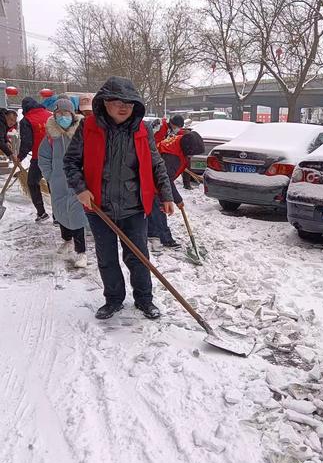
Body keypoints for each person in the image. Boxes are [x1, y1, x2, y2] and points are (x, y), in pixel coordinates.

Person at [64, 76, 174, 321]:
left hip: (134, 207)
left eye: (129, 102)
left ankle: (144, 300)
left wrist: (166, 194)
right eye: (117, 101)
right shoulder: (89, 127)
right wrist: (80, 189)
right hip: (98, 207)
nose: (123, 106)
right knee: (107, 258)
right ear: (104, 102)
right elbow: (71, 162)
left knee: (138, 256)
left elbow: (156, 164)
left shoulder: (142, 129)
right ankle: (113, 300)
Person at [38, 98, 88, 268]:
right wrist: (50, 176)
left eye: (65, 113)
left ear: (73, 114)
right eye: (58, 113)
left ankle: (81, 252)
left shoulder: (82, 132)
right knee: (60, 213)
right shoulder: (51, 136)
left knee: (77, 215)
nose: (62, 117)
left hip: (78, 182)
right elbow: (43, 157)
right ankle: (67, 240)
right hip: (58, 182)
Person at [148, 131, 204, 252]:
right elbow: (166, 180)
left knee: (156, 209)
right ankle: (162, 239)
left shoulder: (180, 141)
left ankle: (157, 236)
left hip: (155, 177)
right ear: (187, 148)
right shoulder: (171, 156)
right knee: (158, 209)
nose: (192, 156)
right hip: (152, 181)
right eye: (192, 153)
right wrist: (177, 199)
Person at [16, 97, 52, 222]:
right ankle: (59, 216)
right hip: (56, 157)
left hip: (39, 158)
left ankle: (41, 213)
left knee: (32, 183)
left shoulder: (27, 120)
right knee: (53, 185)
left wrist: (20, 156)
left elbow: (27, 142)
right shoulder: (50, 115)